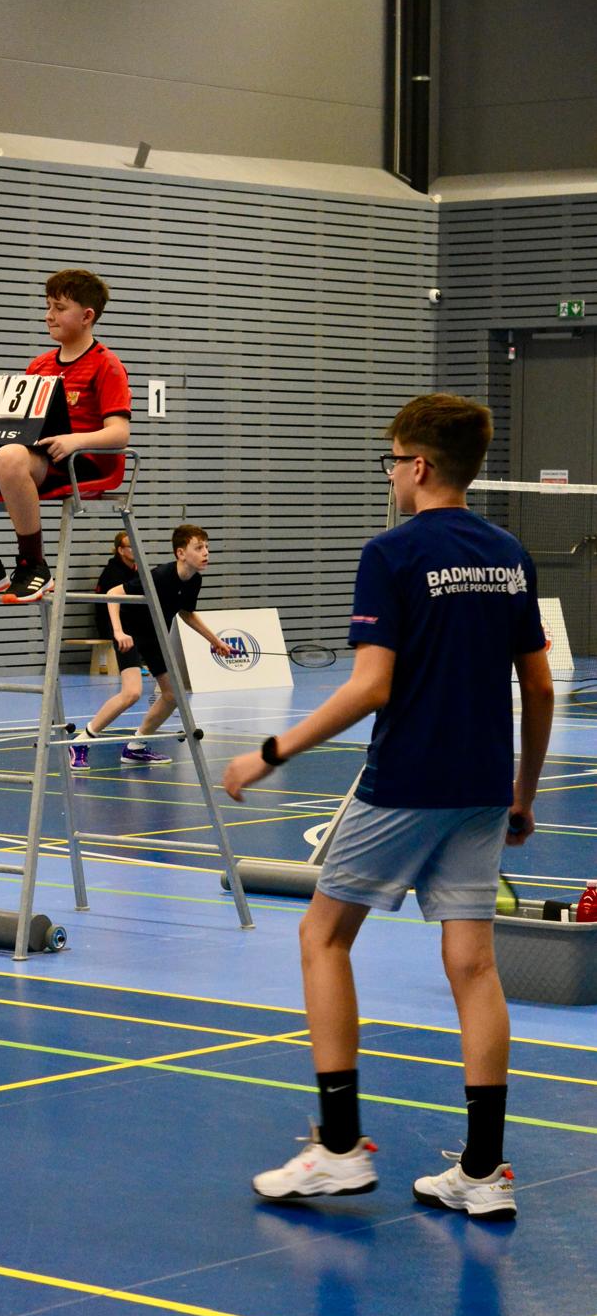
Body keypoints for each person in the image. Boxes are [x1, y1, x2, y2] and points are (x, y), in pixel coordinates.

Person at [222, 393, 554, 1220]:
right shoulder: (509, 555)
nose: (391, 476)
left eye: (393, 462)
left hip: (406, 779)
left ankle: (337, 1149)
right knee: (473, 967)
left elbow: (371, 686)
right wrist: (521, 792)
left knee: (322, 935)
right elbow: (540, 686)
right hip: (482, 785)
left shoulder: (391, 552)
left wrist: (270, 752)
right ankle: (482, 1172)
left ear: (419, 466)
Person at [0, 268, 132, 605]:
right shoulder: (39, 366)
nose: (48, 315)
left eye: (59, 308)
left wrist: (75, 440)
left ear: (87, 316)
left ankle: (33, 564)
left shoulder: (106, 365)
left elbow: (119, 433)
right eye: (48, 306)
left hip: (77, 463)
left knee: (10, 457)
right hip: (30, 457)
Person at [69, 523, 233, 769]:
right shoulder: (159, 576)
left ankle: (136, 746)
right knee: (132, 693)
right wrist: (118, 632)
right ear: (180, 553)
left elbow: (186, 613)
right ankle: (81, 742)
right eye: (199, 548)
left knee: (173, 694)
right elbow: (113, 593)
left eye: (207, 547)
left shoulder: (194, 580)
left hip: (155, 636)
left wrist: (215, 641)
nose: (206, 553)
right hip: (130, 633)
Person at [93, 530, 137, 642]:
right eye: (131, 546)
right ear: (121, 550)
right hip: (112, 627)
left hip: (129, 624)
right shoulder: (112, 573)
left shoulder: (135, 571)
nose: (136, 550)